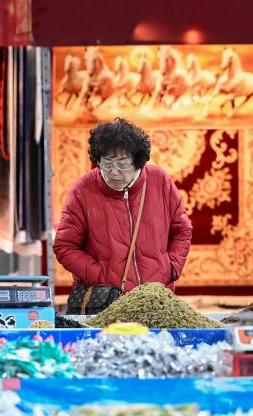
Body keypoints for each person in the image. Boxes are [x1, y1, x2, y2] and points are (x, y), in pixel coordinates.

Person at [53, 118, 193, 314]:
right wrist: (101, 276)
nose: (114, 172)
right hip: (106, 303)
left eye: (122, 164)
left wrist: (171, 269)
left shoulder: (160, 181)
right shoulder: (82, 190)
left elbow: (182, 230)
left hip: (156, 300)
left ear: (137, 161)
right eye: (107, 163)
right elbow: (64, 246)